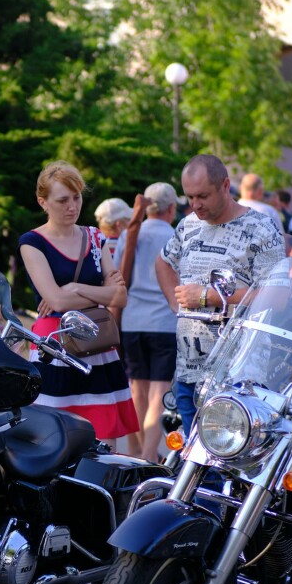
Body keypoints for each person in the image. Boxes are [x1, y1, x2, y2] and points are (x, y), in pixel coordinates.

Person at [156, 154, 284, 434]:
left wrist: (208, 297)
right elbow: (164, 261)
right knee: (193, 462)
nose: (195, 204)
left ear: (226, 185)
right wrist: (174, 302)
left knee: (223, 467)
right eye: (189, 197)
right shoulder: (189, 224)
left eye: (203, 195)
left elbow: (277, 296)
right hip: (189, 370)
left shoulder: (261, 228)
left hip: (237, 375)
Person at [19, 161, 136, 440]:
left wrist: (75, 288)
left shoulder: (95, 238)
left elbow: (120, 297)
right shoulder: (32, 242)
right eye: (62, 200)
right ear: (43, 202)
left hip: (96, 342)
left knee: (104, 438)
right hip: (56, 345)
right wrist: (91, 294)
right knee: (53, 435)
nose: (72, 206)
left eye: (77, 197)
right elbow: (57, 301)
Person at [113, 182, 179, 460]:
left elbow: (117, 275)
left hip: (132, 320)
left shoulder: (130, 234)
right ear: (172, 209)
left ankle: (138, 450)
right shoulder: (177, 237)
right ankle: (149, 453)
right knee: (159, 393)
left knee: (136, 389)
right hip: (164, 321)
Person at [94, 197, 133, 264]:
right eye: (128, 219)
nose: (131, 222)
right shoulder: (127, 246)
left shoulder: (94, 245)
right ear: (119, 225)